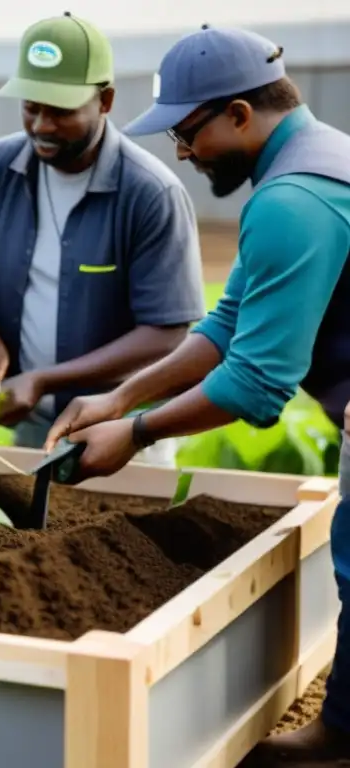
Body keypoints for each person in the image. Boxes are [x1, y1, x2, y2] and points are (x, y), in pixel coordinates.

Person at [40, 26, 350, 763]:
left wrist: (137, 434)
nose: (181, 152)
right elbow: (226, 325)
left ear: (239, 113)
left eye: (187, 132)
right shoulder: (315, 161)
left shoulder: (292, 202)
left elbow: (254, 383)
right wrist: (118, 398)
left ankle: (342, 732)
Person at [0, 12, 204, 465]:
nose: (42, 124)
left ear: (104, 101)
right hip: (31, 418)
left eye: (60, 110)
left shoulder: (149, 193)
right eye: (31, 106)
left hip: (125, 427)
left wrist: (45, 378)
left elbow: (166, 333)